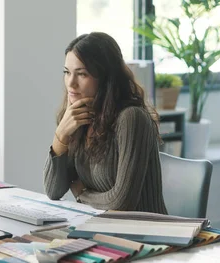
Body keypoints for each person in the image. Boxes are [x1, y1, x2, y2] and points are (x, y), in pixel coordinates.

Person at [43, 32, 168, 214]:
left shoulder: (131, 118)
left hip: (144, 233)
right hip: (101, 228)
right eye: (67, 72)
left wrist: (82, 194)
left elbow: (122, 203)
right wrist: (60, 136)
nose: (71, 83)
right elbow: (53, 191)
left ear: (105, 77)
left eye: (82, 74)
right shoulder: (78, 117)